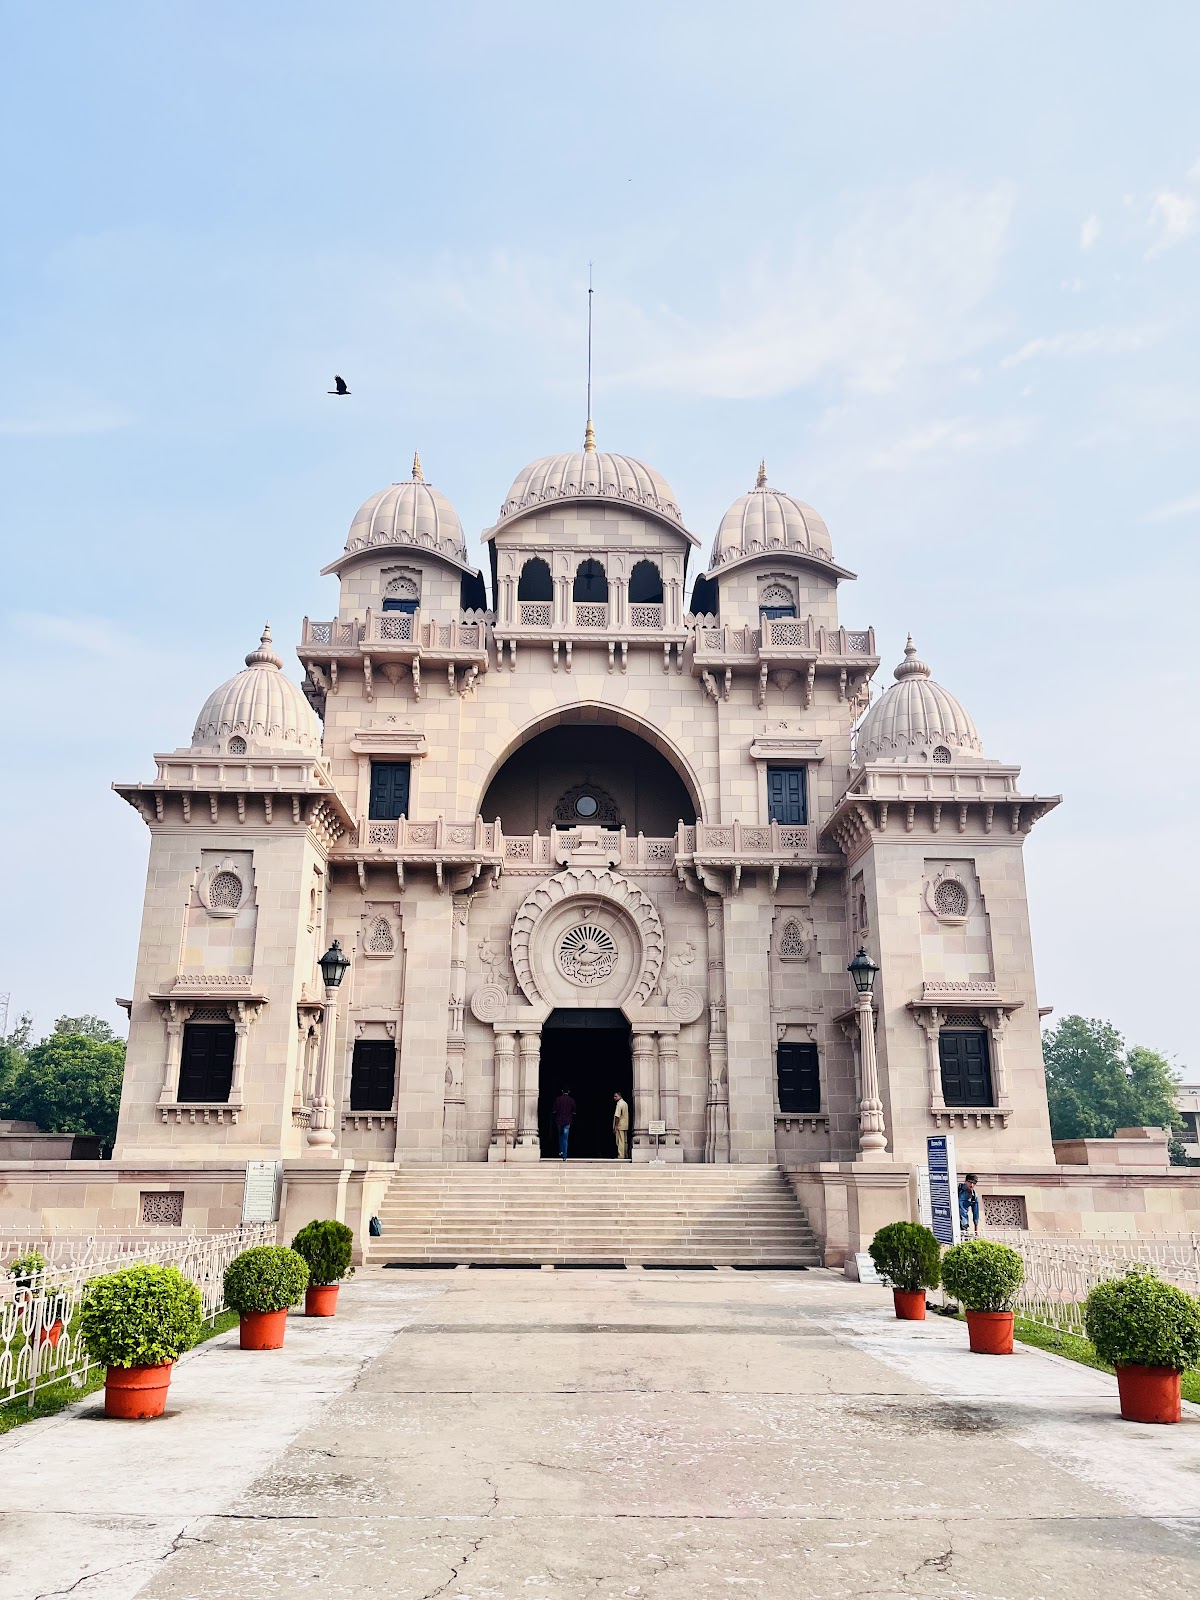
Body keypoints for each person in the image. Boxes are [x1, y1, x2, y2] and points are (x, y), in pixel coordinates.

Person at [553, 1087, 575, 1160]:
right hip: (567, 1121)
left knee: (560, 1136)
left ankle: (561, 1151)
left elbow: (554, 1110)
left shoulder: (558, 1099)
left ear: (562, 1091)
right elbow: (574, 1111)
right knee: (565, 1138)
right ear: (568, 1091)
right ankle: (564, 1156)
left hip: (559, 1120)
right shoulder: (571, 1100)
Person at [612, 1090, 629, 1160]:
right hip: (625, 1125)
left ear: (619, 1096)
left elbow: (617, 1116)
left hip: (620, 1125)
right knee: (624, 1141)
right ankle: (625, 1155)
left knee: (620, 1141)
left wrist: (615, 1126)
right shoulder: (625, 1103)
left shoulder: (619, 1104)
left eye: (615, 1096)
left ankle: (621, 1156)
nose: (614, 1098)